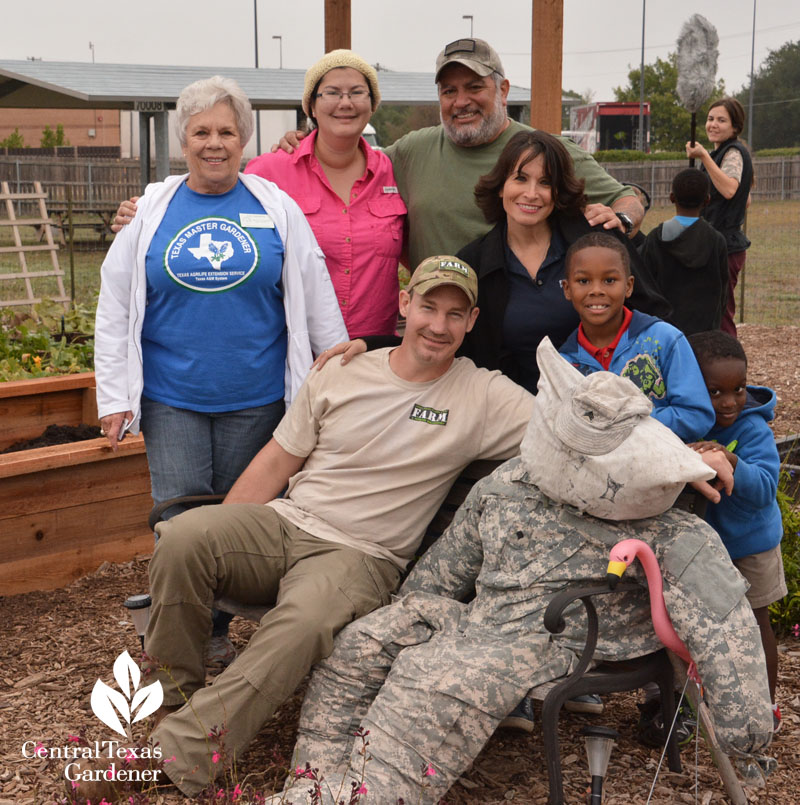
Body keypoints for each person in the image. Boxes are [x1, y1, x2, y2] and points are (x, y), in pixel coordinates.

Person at [73, 257, 536, 803]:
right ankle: (182, 703)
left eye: (454, 314)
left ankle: (179, 754)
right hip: (286, 523)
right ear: (404, 305)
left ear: (472, 321)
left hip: (362, 554)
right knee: (183, 537)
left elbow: (564, 431)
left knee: (304, 622)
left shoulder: (486, 396)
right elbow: (276, 461)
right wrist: (223, 528)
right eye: (428, 307)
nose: (438, 325)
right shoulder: (343, 370)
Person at [274, 339, 771, 804]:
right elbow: (445, 568)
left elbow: (727, 634)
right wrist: (413, 614)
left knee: (433, 680)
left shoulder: (670, 531)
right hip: (485, 620)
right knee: (362, 643)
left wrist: (746, 742)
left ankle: (366, 795)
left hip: (566, 637)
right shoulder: (510, 483)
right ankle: (313, 781)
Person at [94, 75, 347, 665]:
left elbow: (314, 294)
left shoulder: (273, 207)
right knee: (179, 523)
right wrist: (113, 396)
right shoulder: (151, 210)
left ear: (244, 141)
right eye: (202, 131)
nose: (215, 143)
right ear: (184, 140)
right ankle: (188, 641)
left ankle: (217, 629)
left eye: (227, 131)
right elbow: (114, 307)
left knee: (238, 526)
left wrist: (336, 375)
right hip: (172, 399)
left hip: (257, 399)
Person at [277, 38, 645, 269]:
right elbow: (347, 162)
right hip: (438, 325)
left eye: (474, 87)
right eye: (449, 90)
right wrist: (304, 139)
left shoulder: (544, 150)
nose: (461, 101)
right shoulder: (410, 152)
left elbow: (627, 197)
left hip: (520, 323)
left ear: (502, 90)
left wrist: (622, 221)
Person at [114, 51, 406, 339]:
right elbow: (214, 207)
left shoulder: (395, 170)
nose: (345, 102)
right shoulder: (270, 171)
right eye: (331, 92)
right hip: (299, 354)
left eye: (357, 92)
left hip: (378, 353)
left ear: (372, 105)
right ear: (311, 106)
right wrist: (146, 213)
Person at [456, 129, 669, 392]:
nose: (531, 193)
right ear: (501, 186)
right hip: (519, 410)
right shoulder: (474, 264)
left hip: (610, 401)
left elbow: (653, 315)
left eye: (545, 183)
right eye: (520, 178)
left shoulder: (597, 238)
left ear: (558, 193)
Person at [688, 330, 786, 732]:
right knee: (707, 631)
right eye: (715, 392)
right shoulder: (688, 424)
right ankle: (701, 708)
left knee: (758, 625)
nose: (729, 402)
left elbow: (765, 488)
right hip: (710, 550)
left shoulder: (752, 430)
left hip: (753, 547)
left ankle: (766, 708)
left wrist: (731, 461)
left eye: (738, 389)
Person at [559, 233, 715, 442]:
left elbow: (697, 415)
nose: (596, 290)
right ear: (567, 289)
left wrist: (626, 423)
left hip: (664, 464)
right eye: (584, 281)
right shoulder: (564, 363)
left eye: (609, 280)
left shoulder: (664, 340)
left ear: (629, 286)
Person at [686, 97, 754, 337]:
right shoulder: (720, 155)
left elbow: (729, 190)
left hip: (726, 247)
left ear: (735, 127)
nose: (713, 124)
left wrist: (703, 156)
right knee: (710, 310)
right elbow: (745, 199)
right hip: (714, 243)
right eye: (710, 118)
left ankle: (729, 366)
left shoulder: (733, 152)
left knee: (721, 313)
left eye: (721, 120)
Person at [642, 168, 728, 335]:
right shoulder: (717, 242)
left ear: (672, 198)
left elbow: (645, 285)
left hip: (664, 334)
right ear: (708, 200)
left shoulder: (655, 239)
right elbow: (722, 294)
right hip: (705, 336)